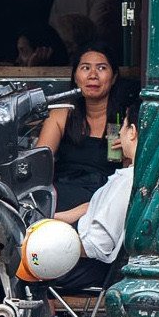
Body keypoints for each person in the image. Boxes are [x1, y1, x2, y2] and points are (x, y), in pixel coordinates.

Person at [41, 100, 136, 295]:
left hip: (88, 267)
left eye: (124, 126)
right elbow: (91, 208)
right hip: (84, 258)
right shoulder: (132, 177)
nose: (119, 132)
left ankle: (38, 314)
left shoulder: (127, 180)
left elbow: (97, 246)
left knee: (23, 262)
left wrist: (51, 246)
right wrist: (47, 221)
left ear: (132, 132)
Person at [37, 43, 124, 223]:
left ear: (114, 77)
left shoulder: (123, 120)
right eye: (85, 68)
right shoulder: (62, 114)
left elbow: (130, 178)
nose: (93, 75)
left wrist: (129, 150)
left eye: (102, 68)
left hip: (104, 200)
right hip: (64, 193)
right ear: (75, 77)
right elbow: (39, 161)